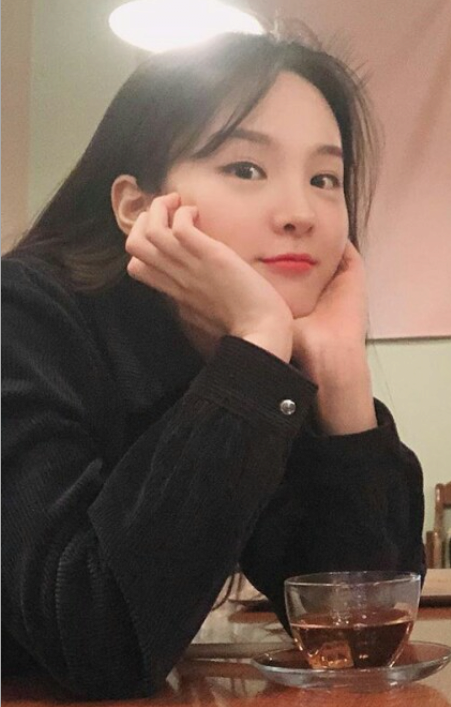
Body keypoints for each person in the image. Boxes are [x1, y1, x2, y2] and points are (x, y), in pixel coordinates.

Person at [2, 31, 425, 699]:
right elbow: (96, 641)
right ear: (137, 208)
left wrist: (342, 379)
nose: (299, 213)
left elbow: (355, 634)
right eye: (245, 169)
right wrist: (254, 345)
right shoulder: (23, 315)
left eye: (324, 179)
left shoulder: (254, 361)